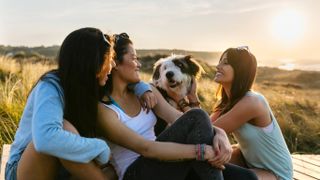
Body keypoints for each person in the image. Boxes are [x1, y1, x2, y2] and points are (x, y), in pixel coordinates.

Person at [5, 27, 154, 180]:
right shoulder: (50, 86)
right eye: (109, 60)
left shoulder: (90, 83)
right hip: (23, 168)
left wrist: (141, 88)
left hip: (64, 168)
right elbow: (45, 139)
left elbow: (121, 81)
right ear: (94, 62)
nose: (113, 66)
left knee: (114, 170)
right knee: (63, 129)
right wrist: (99, 148)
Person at [96, 33, 235, 180]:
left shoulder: (146, 92)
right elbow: (146, 148)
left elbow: (178, 118)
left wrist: (220, 133)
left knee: (246, 176)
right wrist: (200, 151)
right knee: (198, 116)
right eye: (134, 58)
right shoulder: (104, 109)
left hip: (162, 161)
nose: (139, 64)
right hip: (136, 172)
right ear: (114, 62)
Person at [210, 46, 293, 180]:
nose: (218, 66)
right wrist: (191, 99)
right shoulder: (227, 103)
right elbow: (202, 129)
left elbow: (208, 130)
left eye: (225, 63)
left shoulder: (252, 102)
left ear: (240, 70)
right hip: (248, 164)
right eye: (220, 61)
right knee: (206, 161)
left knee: (216, 168)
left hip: (276, 173)